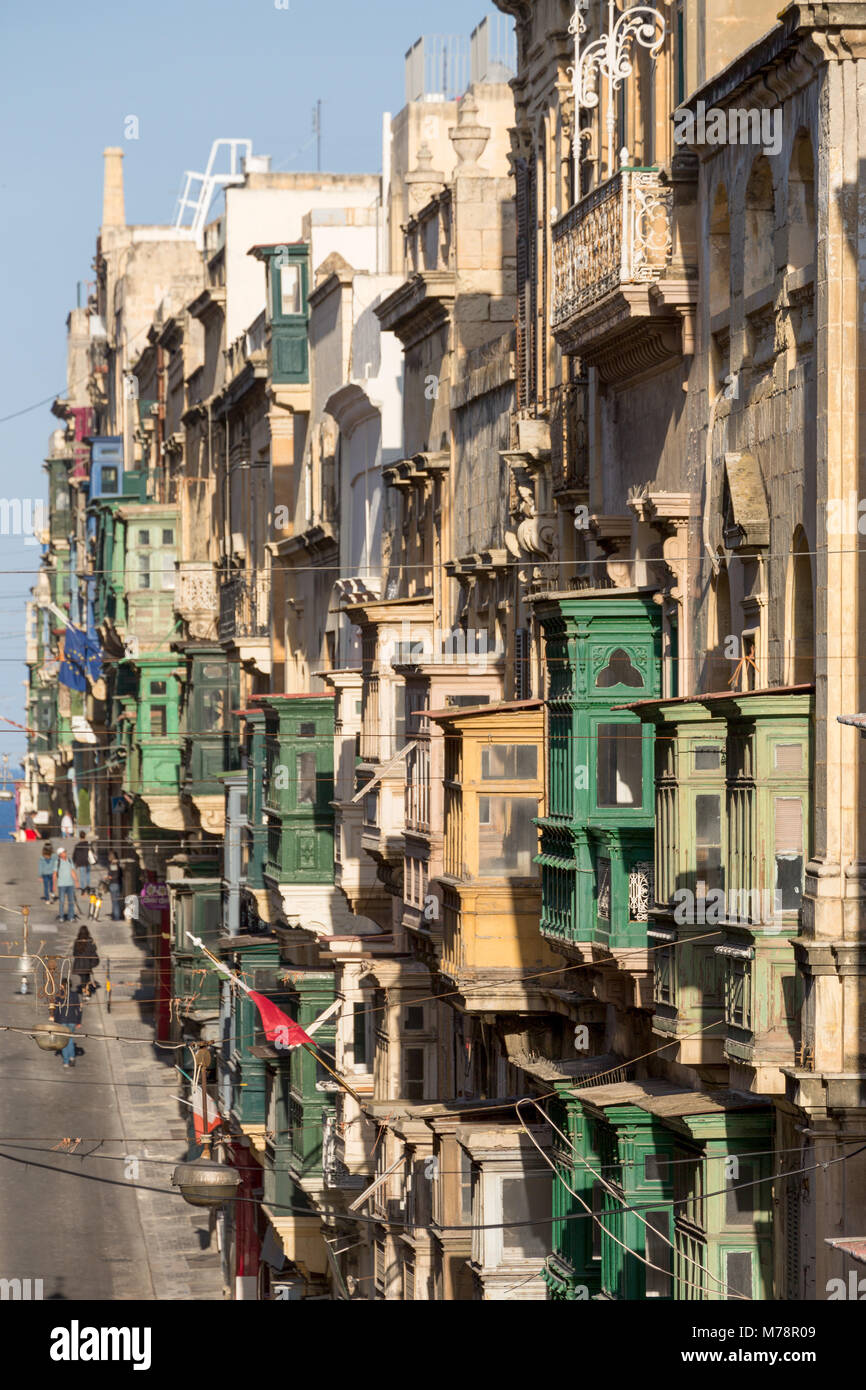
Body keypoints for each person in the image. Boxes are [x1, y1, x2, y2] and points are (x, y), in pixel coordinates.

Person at [55, 984, 82, 1068]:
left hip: (62, 1020)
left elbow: (56, 1008)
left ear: (62, 986)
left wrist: (56, 1020)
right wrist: (79, 1021)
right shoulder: (75, 995)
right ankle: (72, 1057)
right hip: (72, 1020)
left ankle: (66, 1061)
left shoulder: (59, 995)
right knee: (70, 1039)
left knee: (64, 1040)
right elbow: (79, 1009)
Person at [71, 924, 99, 996]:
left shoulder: (77, 941)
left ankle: (85, 991)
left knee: (83, 978)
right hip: (87, 964)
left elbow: (74, 953)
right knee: (86, 977)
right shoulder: (90, 940)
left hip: (79, 965)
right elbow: (94, 950)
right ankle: (86, 992)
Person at [54, 847, 80, 922]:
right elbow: (54, 874)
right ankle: (61, 917)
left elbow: (72, 871)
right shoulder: (57, 862)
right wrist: (53, 885)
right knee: (61, 901)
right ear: (60, 854)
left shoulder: (69, 860)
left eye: (65, 851)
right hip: (61, 884)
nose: (65, 852)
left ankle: (71, 917)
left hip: (70, 884)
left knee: (71, 901)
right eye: (64, 852)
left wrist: (76, 881)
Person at [107, 852, 123, 921]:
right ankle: (115, 915)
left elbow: (115, 875)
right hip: (118, 884)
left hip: (114, 884)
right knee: (116, 901)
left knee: (115, 902)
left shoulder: (113, 865)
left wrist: (110, 877)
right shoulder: (117, 864)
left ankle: (116, 916)